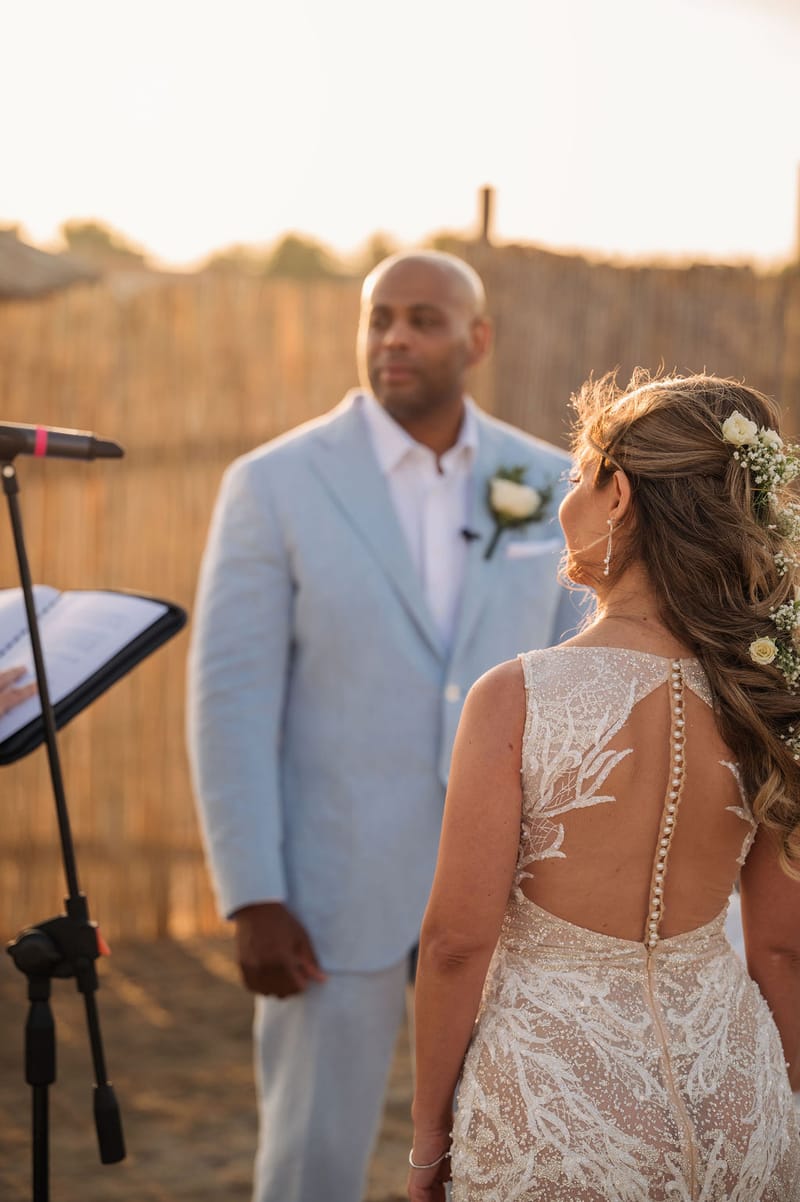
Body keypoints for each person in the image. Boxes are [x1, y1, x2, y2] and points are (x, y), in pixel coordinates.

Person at [186, 250, 584, 1202]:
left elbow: (581, 680)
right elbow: (231, 697)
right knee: (311, 1159)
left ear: (477, 339)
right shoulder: (273, 484)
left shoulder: (556, 479)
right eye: (380, 319)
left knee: (508, 1146)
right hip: (329, 893)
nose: (396, 337)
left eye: (424, 319)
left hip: (513, 884)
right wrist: (253, 893)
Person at [409, 370, 800, 1201]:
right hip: (737, 1094)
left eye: (578, 477)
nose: (564, 506)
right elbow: (781, 948)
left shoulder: (514, 696)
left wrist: (427, 1139)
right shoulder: (766, 696)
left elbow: (453, 945)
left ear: (618, 494)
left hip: (556, 1107)